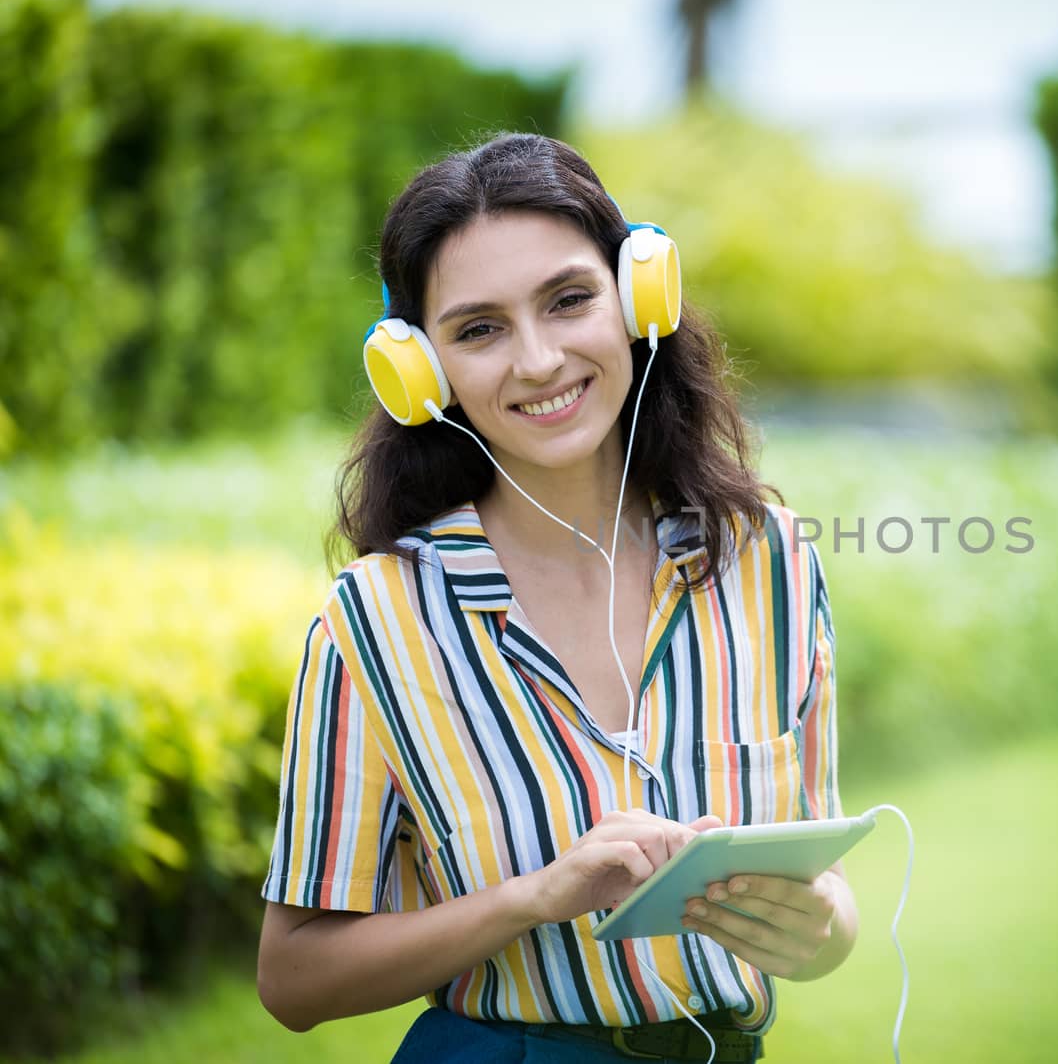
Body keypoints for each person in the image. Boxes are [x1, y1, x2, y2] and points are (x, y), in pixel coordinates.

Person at [256, 132, 856, 1063]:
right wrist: (533, 898)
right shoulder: (374, 622)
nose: (537, 361)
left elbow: (823, 889)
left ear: (637, 299)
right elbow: (293, 979)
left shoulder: (768, 563)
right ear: (419, 371)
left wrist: (822, 931)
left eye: (569, 300)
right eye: (480, 329)